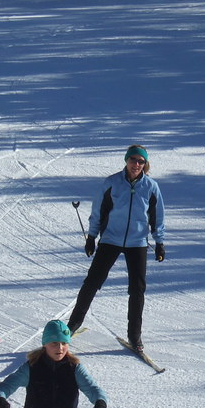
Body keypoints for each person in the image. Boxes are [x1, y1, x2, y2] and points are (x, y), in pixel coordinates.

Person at [67, 144, 166, 352]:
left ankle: (134, 336)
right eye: (133, 160)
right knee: (92, 282)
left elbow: (157, 217)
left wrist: (159, 242)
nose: (136, 164)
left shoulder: (151, 187)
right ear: (126, 161)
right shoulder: (111, 183)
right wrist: (92, 237)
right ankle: (72, 326)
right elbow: (98, 211)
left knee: (137, 290)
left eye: (140, 161)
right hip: (110, 239)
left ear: (145, 164)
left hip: (137, 243)